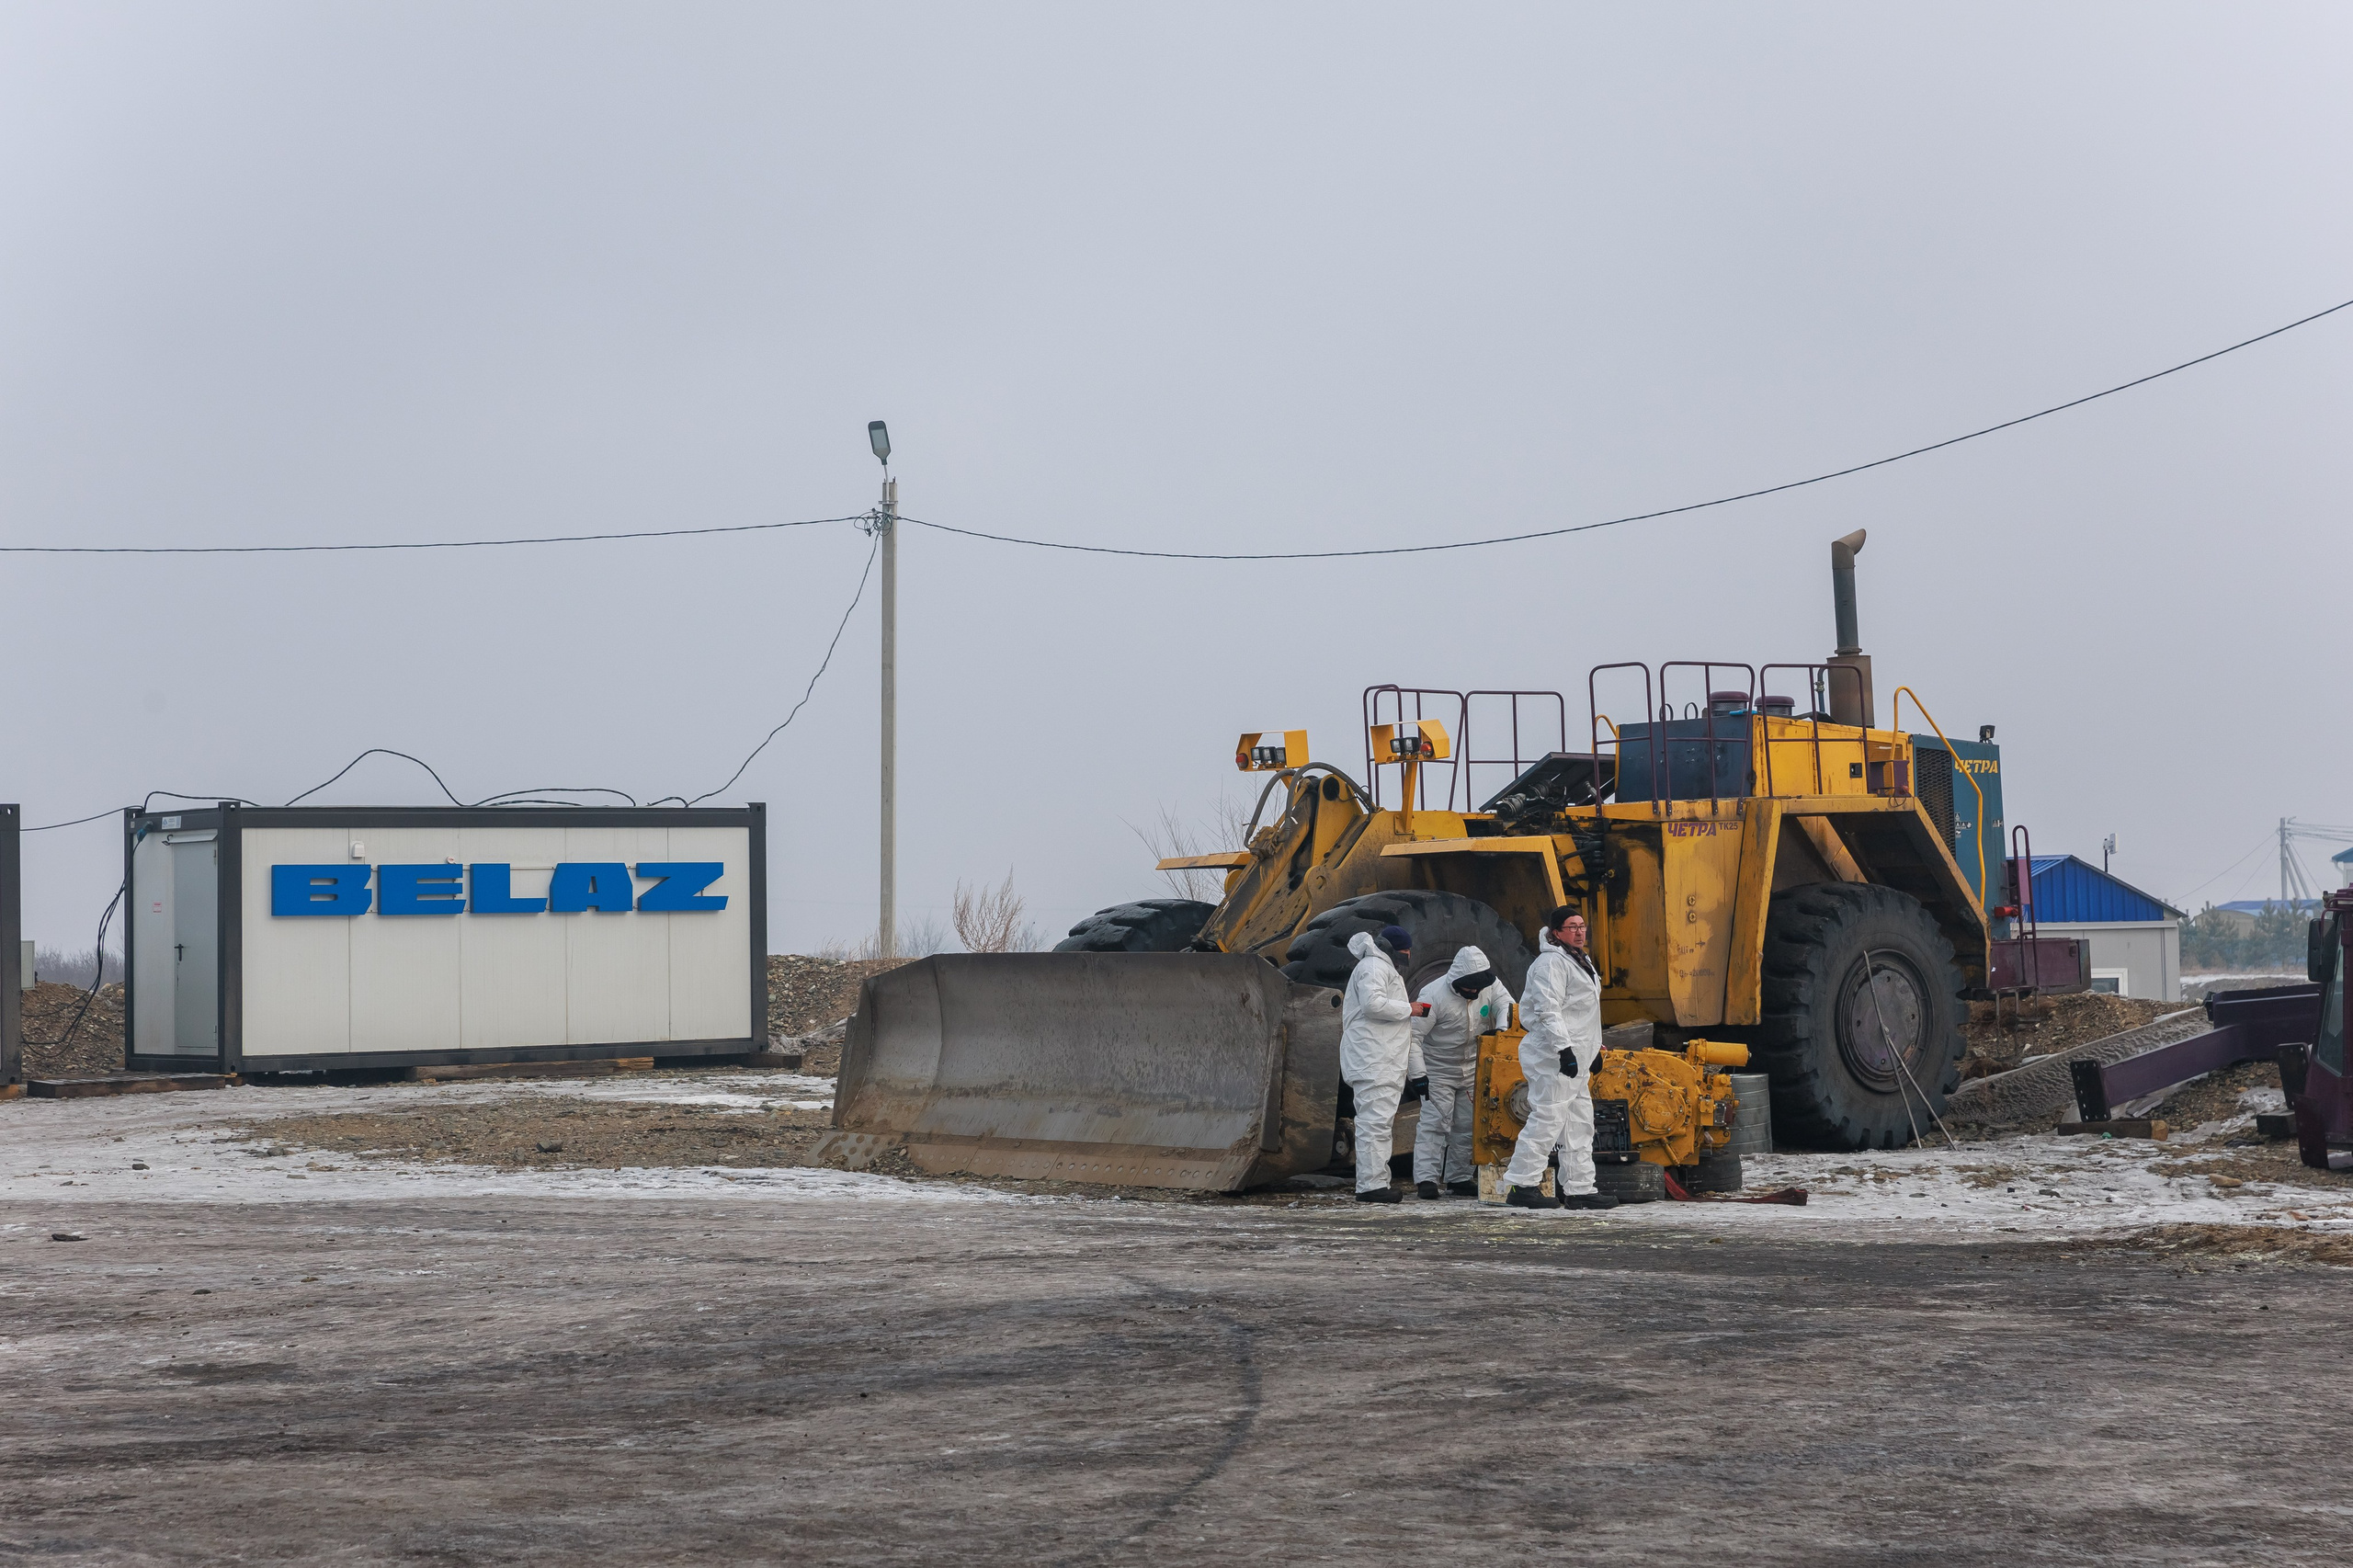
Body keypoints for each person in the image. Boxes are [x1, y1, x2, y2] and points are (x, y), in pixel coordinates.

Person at [1501, 906, 1618, 1211]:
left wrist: (1593, 1048)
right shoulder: (1550, 963)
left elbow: (1582, 1013)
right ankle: (1521, 1184)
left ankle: (1580, 1189)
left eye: (1582, 926)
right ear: (1556, 932)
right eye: (1571, 927)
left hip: (1576, 1056)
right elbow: (1547, 1010)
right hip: (1552, 1055)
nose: (1579, 932)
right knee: (1547, 1119)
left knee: (1579, 1123)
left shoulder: (1581, 960)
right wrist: (1564, 1050)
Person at [1407, 945, 1514, 1199]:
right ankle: (1426, 1179)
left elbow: (1506, 1005)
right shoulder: (1432, 996)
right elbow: (1412, 1037)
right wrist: (1418, 1075)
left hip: (1473, 1069)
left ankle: (1459, 1177)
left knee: (1468, 1126)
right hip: (1438, 1070)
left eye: (1478, 989)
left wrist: (1500, 1031)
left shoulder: (1490, 985)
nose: (1475, 993)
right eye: (1470, 989)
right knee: (1435, 1124)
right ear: (1457, 982)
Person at [1338, 924, 1415, 1203]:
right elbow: (1373, 1005)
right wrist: (1411, 1009)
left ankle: (1375, 1182)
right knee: (1374, 1123)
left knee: (1378, 1122)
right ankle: (1371, 1186)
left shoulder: (1378, 967)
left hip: (1379, 1059)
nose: (1408, 954)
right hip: (1374, 1060)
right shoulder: (1373, 967)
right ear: (1393, 949)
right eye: (1405, 949)